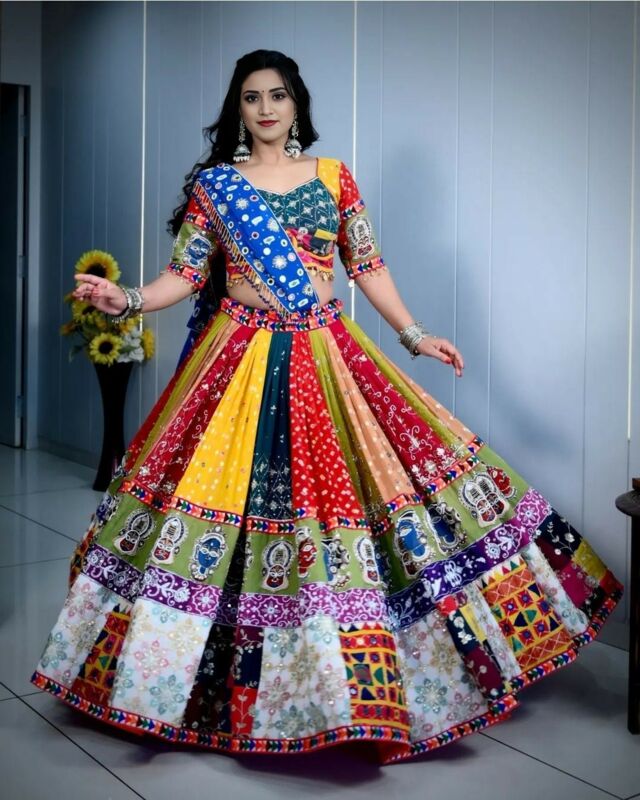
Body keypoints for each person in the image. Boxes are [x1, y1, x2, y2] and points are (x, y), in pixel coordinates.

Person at [32, 49, 622, 764]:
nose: (266, 109)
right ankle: (199, 684)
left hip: (323, 355)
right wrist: (124, 299)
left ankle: (348, 688)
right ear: (238, 109)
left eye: (278, 95)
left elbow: (366, 265)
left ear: (297, 104)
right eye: (252, 97)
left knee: (347, 500)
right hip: (237, 358)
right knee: (224, 504)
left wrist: (414, 335)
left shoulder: (334, 178)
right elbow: (182, 276)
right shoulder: (218, 187)